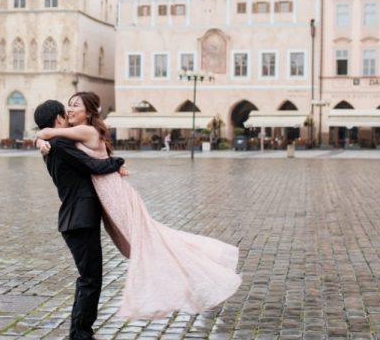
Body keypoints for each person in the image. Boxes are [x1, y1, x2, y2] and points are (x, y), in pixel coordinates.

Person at [37, 92, 241, 319]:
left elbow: (52, 134)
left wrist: (42, 136)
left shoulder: (84, 131)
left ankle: (187, 279)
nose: (70, 110)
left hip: (116, 197)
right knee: (149, 244)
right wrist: (41, 140)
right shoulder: (70, 138)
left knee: (149, 244)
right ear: (59, 117)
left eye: (75, 106)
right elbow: (71, 150)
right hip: (109, 198)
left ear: (89, 112)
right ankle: (181, 277)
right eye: (68, 107)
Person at [33, 99, 126, 340]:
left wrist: (38, 138)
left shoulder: (53, 142)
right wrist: (118, 162)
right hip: (79, 219)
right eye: (65, 114)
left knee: (87, 279)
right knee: (90, 280)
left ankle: (81, 334)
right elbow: (93, 166)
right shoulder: (60, 144)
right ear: (58, 120)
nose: (68, 116)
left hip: (77, 219)